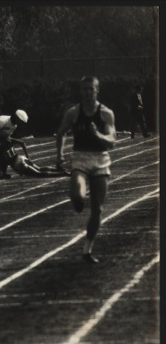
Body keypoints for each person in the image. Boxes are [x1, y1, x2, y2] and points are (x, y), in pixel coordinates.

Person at [56, 76, 116, 264]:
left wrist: (97, 134)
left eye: (91, 89)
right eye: (85, 89)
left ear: (97, 90)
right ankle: (78, 201)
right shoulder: (73, 113)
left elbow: (112, 141)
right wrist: (59, 155)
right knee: (77, 197)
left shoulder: (106, 113)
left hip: (100, 160)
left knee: (97, 209)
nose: (88, 92)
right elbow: (61, 133)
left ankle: (87, 250)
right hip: (80, 158)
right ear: (80, 91)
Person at [0, 135, 69, 178]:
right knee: (40, 169)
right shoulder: (7, 138)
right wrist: (27, 156)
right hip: (21, 157)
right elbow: (22, 143)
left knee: (38, 174)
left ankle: (62, 173)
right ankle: (60, 170)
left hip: (17, 163)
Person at [0, 110, 29, 179]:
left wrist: (9, 140)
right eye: (20, 121)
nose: (20, 123)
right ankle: (0, 173)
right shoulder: (3, 121)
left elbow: (7, 135)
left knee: (5, 153)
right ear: (16, 118)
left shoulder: (14, 126)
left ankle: (3, 172)